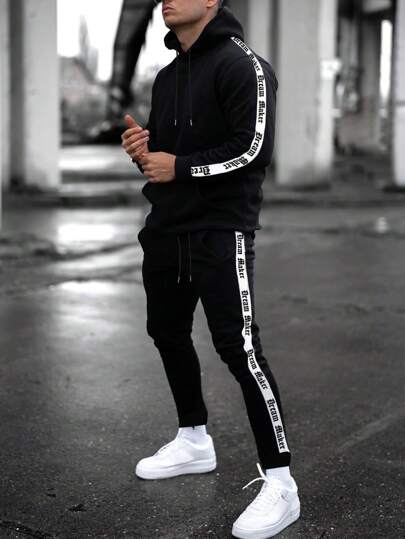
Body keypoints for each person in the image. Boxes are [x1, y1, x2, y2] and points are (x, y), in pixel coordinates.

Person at [121, 1, 300, 537]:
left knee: (240, 350)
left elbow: (252, 149)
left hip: (221, 229)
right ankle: (194, 439)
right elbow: (167, 158)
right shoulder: (168, 76)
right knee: (167, 332)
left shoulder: (244, 65)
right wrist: (145, 151)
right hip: (167, 228)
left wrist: (180, 166)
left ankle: (282, 484)